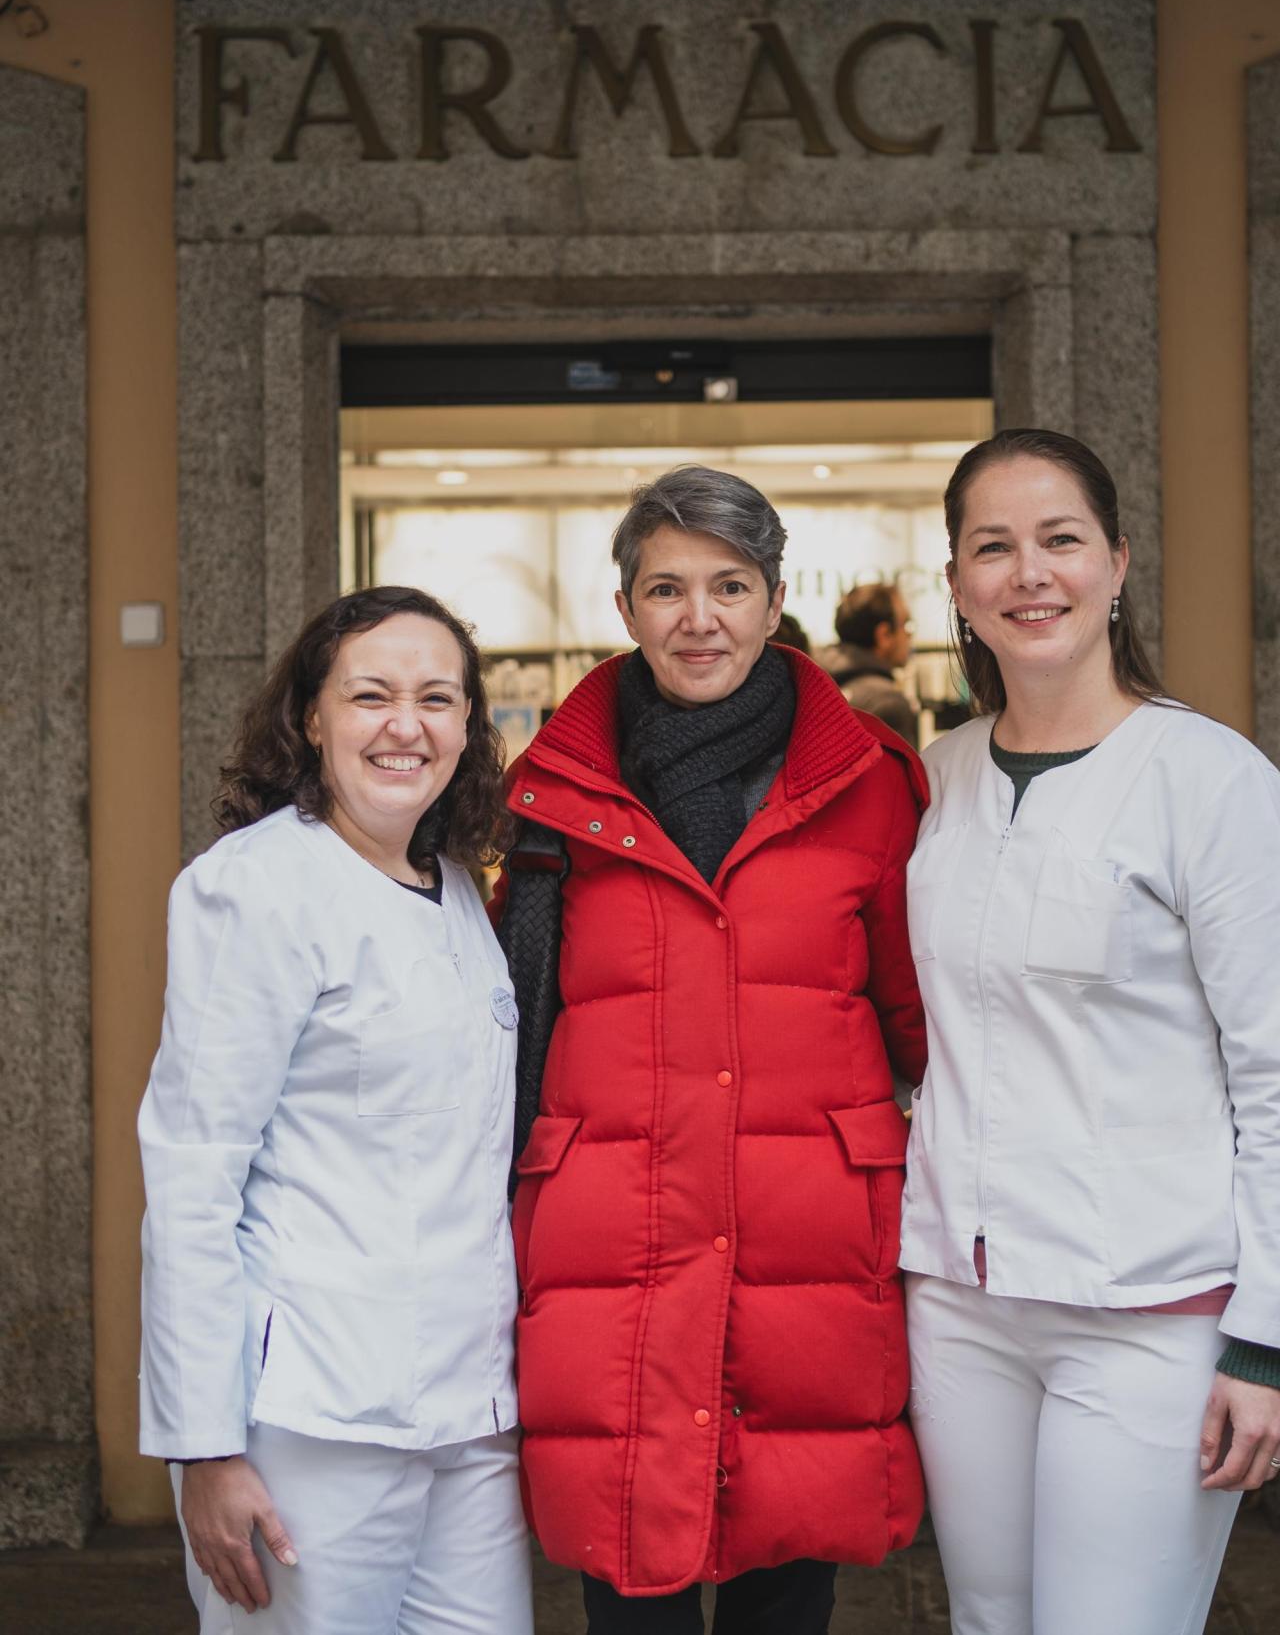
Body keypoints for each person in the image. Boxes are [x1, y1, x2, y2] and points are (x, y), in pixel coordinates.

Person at [495, 465, 928, 1633]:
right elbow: (509, 1029)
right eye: (666, 587)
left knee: (786, 1579)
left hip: (809, 1245)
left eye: (728, 585)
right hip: (609, 1242)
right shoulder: (550, 797)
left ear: (774, 597)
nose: (699, 618)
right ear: (624, 607)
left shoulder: (871, 786)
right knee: (624, 1574)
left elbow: (922, 1028)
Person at [900, 429, 1280, 1635]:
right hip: (961, 1305)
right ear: (955, 584)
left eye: (1058, 540)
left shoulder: (1206, 777)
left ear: (1115, 564)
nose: (1029, 573)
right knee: (986, 1620)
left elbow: (1273, 1069)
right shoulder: (940, 775)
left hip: (1149, 1311)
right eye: (992, 547)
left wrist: (1263, 1343)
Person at [138, 586, 533, 1635]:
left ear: (466, 726)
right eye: (370, 694)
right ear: (311, 717)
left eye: (436, 697)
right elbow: (191, 1172)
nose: (405, 724)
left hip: (470, 1403)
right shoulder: (253, 888)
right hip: (309, 1413)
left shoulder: (451, 883)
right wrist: (204, 1445)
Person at [818, 582, 918, 745]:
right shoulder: (888, 703)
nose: (909, 636)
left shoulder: (816, 688)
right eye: (906, 625)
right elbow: (897, 771)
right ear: (884, 634)